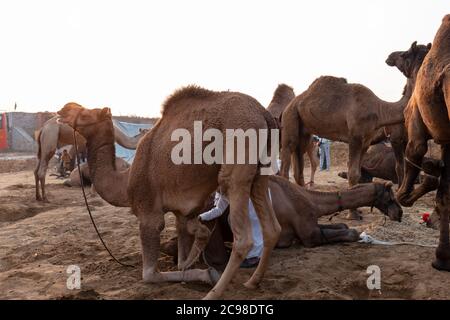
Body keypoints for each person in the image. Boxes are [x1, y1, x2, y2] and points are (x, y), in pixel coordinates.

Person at [198, 191, 264, 268]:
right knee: (234, 220)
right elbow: (219, 209)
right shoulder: (222, 191)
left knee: (252, 223)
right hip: (242, 205)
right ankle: (246, 254)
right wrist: (201, 217)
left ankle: (254, 256)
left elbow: (254, 219)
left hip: (253, 199)